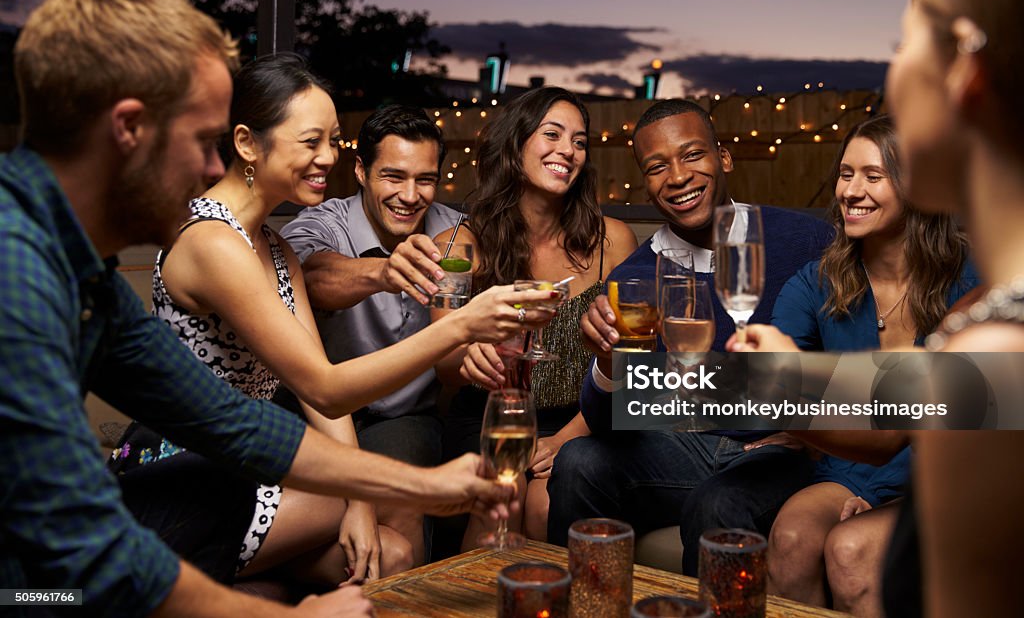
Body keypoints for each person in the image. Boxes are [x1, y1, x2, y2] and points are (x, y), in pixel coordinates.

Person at [0, 0, 521, 617]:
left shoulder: (82, 270)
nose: (214, 169)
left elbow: (234, 424)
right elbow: (86, 557)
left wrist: (425, 485)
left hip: (87, 550)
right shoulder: (16, 277)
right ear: (128, 129)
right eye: (201, 141)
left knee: (273, 508)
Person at [109, 53, 560, 588]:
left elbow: (319, 395)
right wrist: (462, 326)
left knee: (388, 554)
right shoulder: (212, 242)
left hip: (247, 467)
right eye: (311, 141)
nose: (329, 157)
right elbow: (325, 388)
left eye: (332, 141)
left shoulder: (274, 248)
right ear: (248, 143)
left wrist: (358, 506)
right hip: (187, 472)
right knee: (386, 497)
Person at [736, 0, 1024, 614]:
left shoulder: (998, 342)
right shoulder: (991, 327)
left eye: (905, 38)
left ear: (964, 75)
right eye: (847, 172)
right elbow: (894, 412)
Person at [545, 98, 834, 575]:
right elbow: (615, 419)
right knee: (578, 461)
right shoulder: (635, 276)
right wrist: (607, 363)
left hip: (779, 450)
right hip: (683, 447)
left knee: (718, 503)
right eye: (657, 167)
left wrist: (814, 429)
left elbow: (852, 351)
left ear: (723, 158)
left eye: (692, 155)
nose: (677, 177)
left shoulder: (804, 241)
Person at [760, 114, 976, 616]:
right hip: (850, 468)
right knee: (792, 537)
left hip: (940, 474)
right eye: (845, 173)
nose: (850, 191)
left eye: (873, 176)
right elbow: (766, 381)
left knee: (850, 549)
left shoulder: (970, 283)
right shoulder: (817, 281)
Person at [432, 86, 637, 544]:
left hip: (579, 419)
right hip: (490, 416)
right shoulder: (456, 245)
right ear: (516, 143)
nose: (568, 149)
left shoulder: (614, 243)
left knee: (547, 504)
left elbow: (628, 365)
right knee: (502, 501)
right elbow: (444, 366)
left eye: (580, 141)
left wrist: (565, 438)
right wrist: (467, 347)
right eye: (553, 134)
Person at [281, 104, 461, 564]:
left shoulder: (454, 231)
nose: (410, 194)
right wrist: (384, 271)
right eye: (393, 176)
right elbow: (313, 278)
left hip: (404, 417)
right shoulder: (323, 222)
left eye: (425, 179)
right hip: (316, 414)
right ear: (361, 171)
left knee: (396, 490)